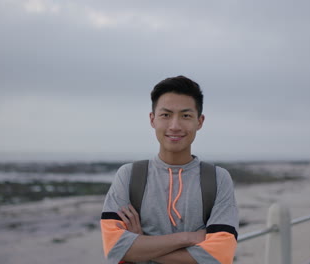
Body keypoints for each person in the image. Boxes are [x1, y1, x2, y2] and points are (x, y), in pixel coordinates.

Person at [100, 76, 239, 263]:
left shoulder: (218, 178)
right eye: (166, 115)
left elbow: (219, 256)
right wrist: (188, 238)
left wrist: (142, 244)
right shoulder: (129, 175)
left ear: (200, 121)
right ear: (152, 119)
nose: (175, 126)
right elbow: (114, 249)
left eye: (186, 116)